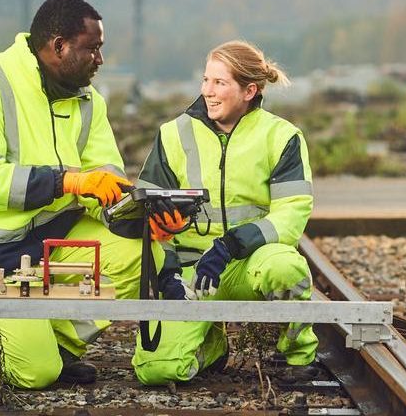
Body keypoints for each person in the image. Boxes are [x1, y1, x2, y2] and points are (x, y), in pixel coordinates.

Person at [0, 0, 162, 389]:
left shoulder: (89, 101)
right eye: (93, 49)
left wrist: (141, 216)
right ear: (59, 46)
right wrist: (67, 181)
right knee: (33, 374)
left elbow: (106, 178)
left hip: (57, 243)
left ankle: (57, 346)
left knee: (142, 251)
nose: (100, 60)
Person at [130, 40, 318, 385]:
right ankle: (212, 345)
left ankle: (297, 353)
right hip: (194, 272)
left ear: (249, 90)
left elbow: (291, 213)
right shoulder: (173, 135)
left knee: (287, 268)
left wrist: (232, 244)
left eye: (219, 83)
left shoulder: (281, 136)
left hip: (249, 264)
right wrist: (167, 270)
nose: (208, 92)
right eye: (205, 81)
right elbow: (149, 215)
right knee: (156, 370)